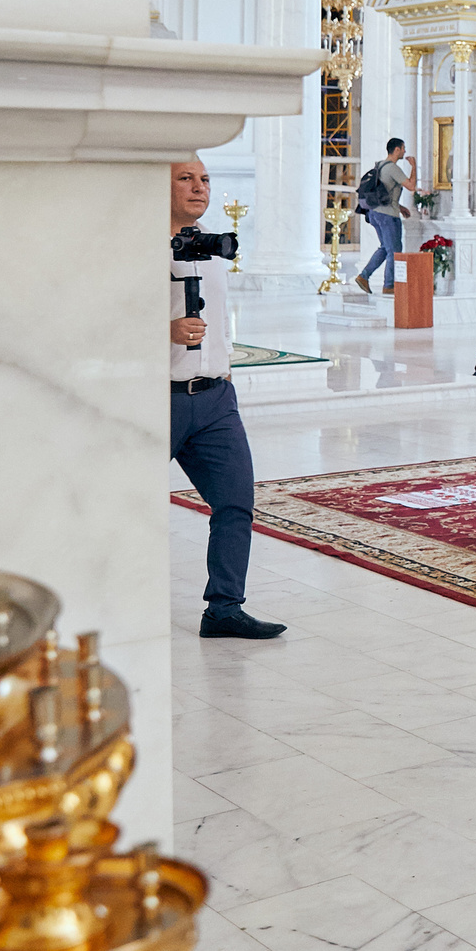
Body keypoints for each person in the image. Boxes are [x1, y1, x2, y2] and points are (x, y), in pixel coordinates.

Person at [167, 158, 286, 640]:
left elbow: (220, 316)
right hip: (158, 398)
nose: (200, 188)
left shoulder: (212, 245)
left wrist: (226, 368)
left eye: (205, 180)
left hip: (216, 398)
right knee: (126, 504)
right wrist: (165, 331)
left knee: (236, 502)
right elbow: (104, 323)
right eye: (185, 178)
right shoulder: (131, 245)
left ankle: (224, 608)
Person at [354, 137, 416, 296]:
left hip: (375, 213)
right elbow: (411, 186)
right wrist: (414, 167)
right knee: (394, 252)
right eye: (403, 148)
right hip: (388, 216)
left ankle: (364, 276)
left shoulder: (380, 166)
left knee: (385, 248)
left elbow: (384, 192)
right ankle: (389, 286)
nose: (404, 151)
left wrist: (400, 207)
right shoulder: (393, 168)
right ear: (396, 150)